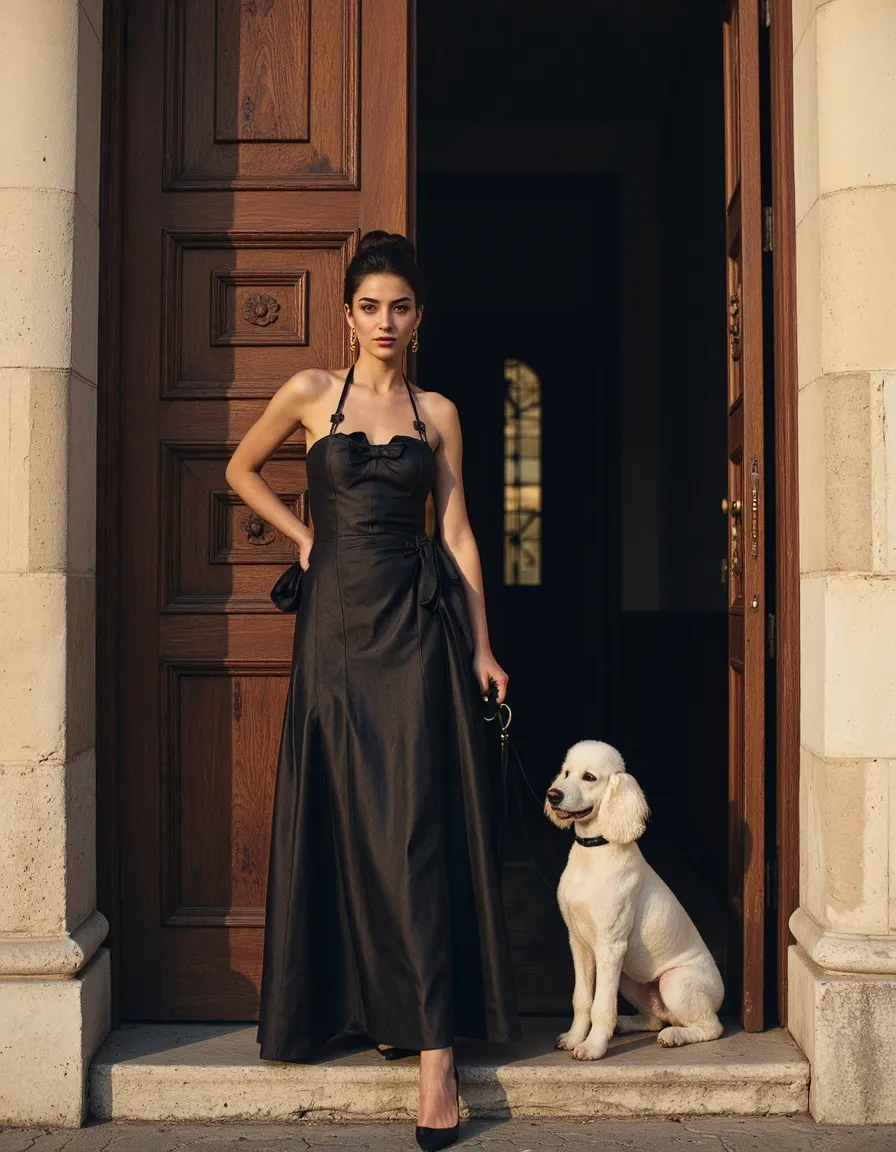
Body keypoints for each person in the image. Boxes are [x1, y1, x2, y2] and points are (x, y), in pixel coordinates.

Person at [225, 229, 522, 1149]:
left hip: (417, 636)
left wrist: (481, 646)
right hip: (333, 642)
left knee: (417, 832)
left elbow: (463, 531)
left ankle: (438, 1062)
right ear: (348, 315)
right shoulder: (313, 393)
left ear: (418, 317)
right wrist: (301, 537)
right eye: (369, 306)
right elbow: (240, 469)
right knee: (344, 820)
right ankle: (359, 1007)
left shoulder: (439, 412)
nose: (384, 321)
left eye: (399, 306)